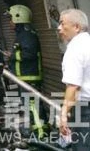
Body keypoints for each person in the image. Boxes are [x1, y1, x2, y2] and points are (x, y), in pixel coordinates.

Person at [3, 5, 45, 138]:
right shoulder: (22, 35)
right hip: (24, 77)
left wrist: (12, 56)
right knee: (31, 106)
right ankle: (39, 131)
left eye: (11, 19)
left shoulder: (27, 35)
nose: (9, 22)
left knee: (32, 105)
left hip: (29, 77)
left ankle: (41, 134)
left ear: (18, 18)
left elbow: (29, 54)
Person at [57, 9, 90, 150]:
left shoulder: (74, 49)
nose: (59, 28)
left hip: (85, 111)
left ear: (76, 27)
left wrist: (63, 115)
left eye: (62, 23)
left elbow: (73, 86)